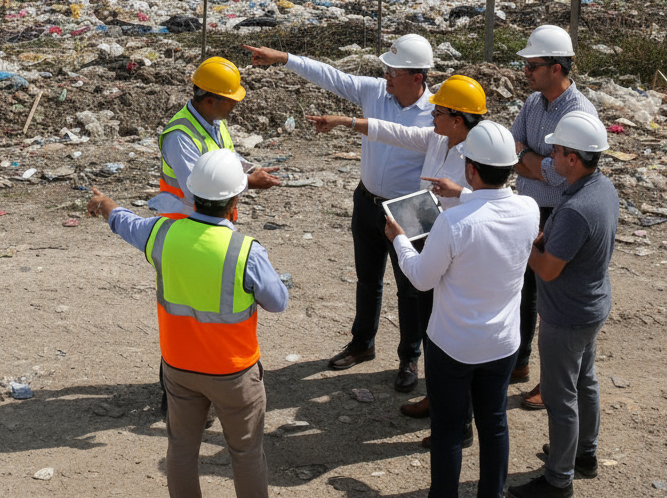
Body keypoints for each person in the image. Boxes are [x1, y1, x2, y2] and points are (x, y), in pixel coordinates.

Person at [87, 149, 289, 498]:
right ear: (235, 200)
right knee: (246, 454)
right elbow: (278, 302)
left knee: (181, 450)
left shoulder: (163, 234)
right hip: (233, 374)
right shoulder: (245, 251)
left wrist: (105, 204)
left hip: (179, 367)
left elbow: (126, 223)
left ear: (193, 195)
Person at [244, 33, 434, 392]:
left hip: (409, 209)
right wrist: (283, 57)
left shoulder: (436, 114)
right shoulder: (376, 92)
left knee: (411, 288)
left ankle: (410, 356)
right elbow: (332, 76)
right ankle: (363, 342)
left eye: (394, 71)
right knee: (368, 279)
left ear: (417, 78)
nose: (386, 76)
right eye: (386, 69)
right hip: (367, 200)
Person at [308, 74, 487, 434]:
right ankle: (436, 398)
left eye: (438, 112)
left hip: (459, 248)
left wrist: (459, 194)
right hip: (430, 229)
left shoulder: (480, 154)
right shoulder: (440, 138)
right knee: (428, 315)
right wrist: (345, 121)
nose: (430, 116)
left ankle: (456, 419)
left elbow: (494, 203)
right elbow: (394, 132)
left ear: (457, 118)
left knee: (440, 322)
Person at [387, 121, 540, 498]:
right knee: (493, 424)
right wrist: (465, 193)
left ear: (470, 168)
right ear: (510, 168)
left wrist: (400, 240)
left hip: (452, 344)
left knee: (448, 429)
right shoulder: (529, 209)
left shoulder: (453, 222)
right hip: (502, 343)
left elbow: (422, 279)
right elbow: (493, 207)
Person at [508, 112, 618, 498]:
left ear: (573, 158)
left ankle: (558, 481)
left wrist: (524, 245)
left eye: (556, 150)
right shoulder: (602, 189)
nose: (550, 156)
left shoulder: (574, 209)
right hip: (590, 307)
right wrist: (544, 241)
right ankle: (584, 455)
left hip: (567, 316)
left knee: (560, 397)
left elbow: (549, 271)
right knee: (584, 382)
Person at [510, 25, 598, 409]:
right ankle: (521, 361)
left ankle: (551, 383)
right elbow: (512, 150)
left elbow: (557, 171)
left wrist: (531, 161)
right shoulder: (533, 104)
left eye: (534, 64)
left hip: (559, 213)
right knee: (526, 293)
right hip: (531, 208)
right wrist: (532, 161)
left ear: (557, 67)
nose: (526, 71)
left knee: (553, 299)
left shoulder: (578, 113)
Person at [150, 55, 281, 215]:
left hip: (211, 221)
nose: (236, 103)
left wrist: (251, 169)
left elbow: (227, 156)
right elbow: (197, 190)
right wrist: (248, 182)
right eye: (230, 100)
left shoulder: (215, 120)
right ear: (210, 101)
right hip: (184, 224)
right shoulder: (180, 137)